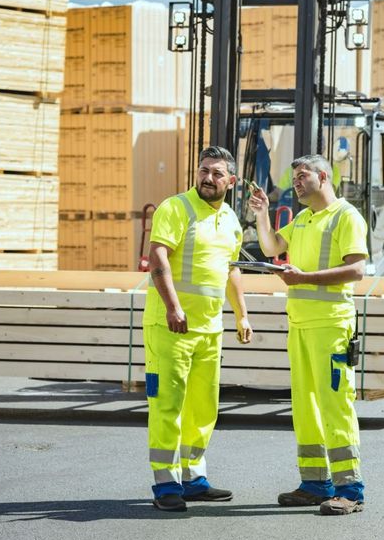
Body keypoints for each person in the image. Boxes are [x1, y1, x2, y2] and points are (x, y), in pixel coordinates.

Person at [248, 154, 369, 516]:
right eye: (294, 178)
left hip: (331, 325)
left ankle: (351, 489)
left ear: (323, 176)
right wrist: (262, 212)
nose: (296, 183)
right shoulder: (303, 218)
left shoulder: (346, 216)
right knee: (306, 407)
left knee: (336, 405)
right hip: (300, 324)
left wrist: (303, 279)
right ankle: (316, 483)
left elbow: (357, 269)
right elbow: (271, 248)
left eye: (302, 177)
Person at [144, 146, 253, 512]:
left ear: (231, 181)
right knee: (168, 405)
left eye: (217, 173)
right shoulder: (176, 208)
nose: (208, 178)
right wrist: (173, 306)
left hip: (209, 328)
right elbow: (158, 256)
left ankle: (193, 477)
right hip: (171, 325)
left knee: (203, 407)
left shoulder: (232, 221)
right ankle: (165, 483)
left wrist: (241, 315)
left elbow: (232, 270)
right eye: (203, 170)